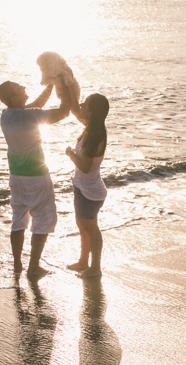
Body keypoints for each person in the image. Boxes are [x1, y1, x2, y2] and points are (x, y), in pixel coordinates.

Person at [0, 78, 71, 279]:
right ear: (13, 97)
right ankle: (34, 267)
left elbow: (35, 106)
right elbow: (64, 111)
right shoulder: (29, 117)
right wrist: (66, 86)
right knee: (43, 218)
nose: (24, 88)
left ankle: (17, 264)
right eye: (19, 89)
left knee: (18, 219)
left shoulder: (7, 115)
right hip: (36, 176)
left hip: (16, 176)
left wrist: (50, 86)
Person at [65, 93, 109, 278]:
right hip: (83, 187)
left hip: (90, 192)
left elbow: (84, 167)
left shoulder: (94, 135)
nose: (82, 105)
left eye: (86, 104)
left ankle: (95, 268)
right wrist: (66, 85)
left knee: (91, 228)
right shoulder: (92, 127)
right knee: (82, 226)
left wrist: (70, 154)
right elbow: (75, 110)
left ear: (92, 111)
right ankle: (83, 261)